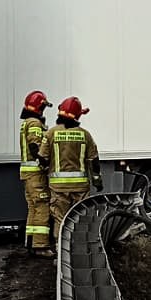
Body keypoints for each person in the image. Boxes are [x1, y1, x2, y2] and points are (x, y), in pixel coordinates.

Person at [45, 96, 100, 228]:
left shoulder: (51, 133)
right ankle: (78, 247)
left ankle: (60, 246)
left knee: (60, 219)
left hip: (58, 187)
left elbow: (42, 157)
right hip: (80, 187)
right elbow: (94, 161)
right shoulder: (85, 135)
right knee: (80, 218)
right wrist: (97, 182)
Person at [18, 91, 54, 257]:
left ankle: (31, 242)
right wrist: (44, 162)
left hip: (27, 174)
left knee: (33, 208)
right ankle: (41, 246)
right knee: (42, 208)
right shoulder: (34, 124)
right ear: (39, 107)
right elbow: (35, 146)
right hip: (35, 174)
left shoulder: (26, 122)